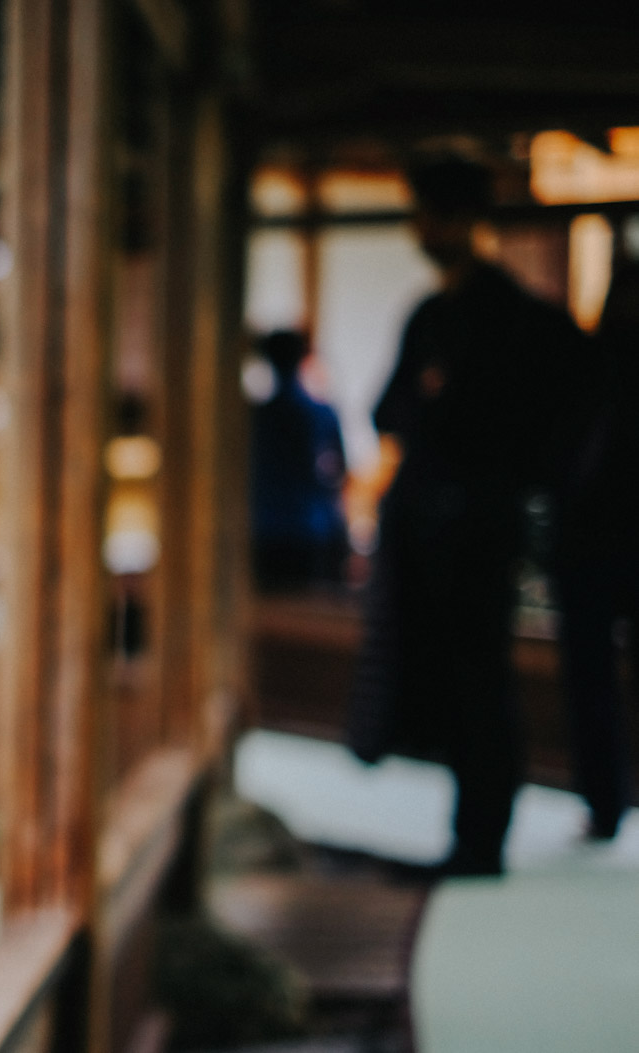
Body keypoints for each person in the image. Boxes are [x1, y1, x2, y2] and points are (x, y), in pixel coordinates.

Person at [348, 155, 584, 876]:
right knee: (455, 679)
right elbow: (389, 409)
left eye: (435, 212)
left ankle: (480, 838)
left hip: (476, 525)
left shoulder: (510, 317)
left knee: (478, 678)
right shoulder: (435, 314)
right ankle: (470, 832)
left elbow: (547, 425)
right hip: (435, 520)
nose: (425, 227)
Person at [551, 262, 639, 841]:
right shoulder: (587, 369)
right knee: (590, 680)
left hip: (587, 542)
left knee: (590, 681)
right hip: (596, 540)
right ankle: (605, 803)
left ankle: (605, 804)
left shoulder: (582, 368)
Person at [249, 330, 348, 591]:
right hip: (309, 528)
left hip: (266, 528)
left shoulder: (256, 417)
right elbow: (337, 474)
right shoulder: (322, 413)